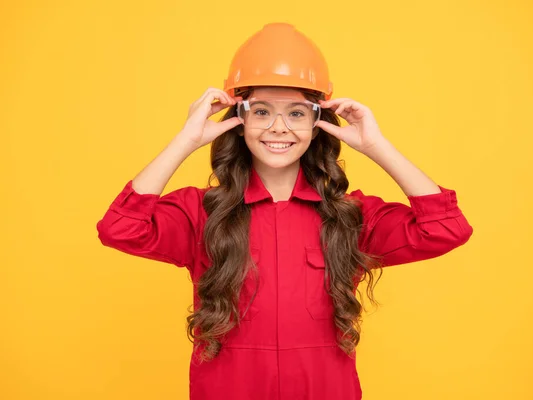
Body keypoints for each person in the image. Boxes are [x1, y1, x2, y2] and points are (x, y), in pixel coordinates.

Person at [96, 22, 474, 400]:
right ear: (239, 120)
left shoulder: (351, 217)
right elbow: (119, 228)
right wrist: (185, 140)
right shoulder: (200, 213)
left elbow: (446, 228)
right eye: (261, 111)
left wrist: (376, 146)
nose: (278, 128)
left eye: (296, 114)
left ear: (317, 123)